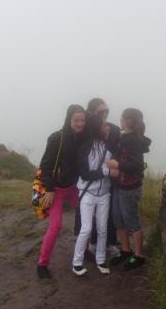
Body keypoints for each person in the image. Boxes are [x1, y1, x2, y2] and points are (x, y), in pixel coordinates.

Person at [36, 104, 86, 280]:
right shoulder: (57, 137)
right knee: (55, 226)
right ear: (68, 119)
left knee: (86, 217)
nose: (80, 124)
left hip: (73, 187)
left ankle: (84, 250)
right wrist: (49, 190)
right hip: (55, 189)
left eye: (82, 120)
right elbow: (45, 165)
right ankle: (42, 265)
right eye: (76, 120)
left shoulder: (82, 137)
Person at [74, 98, 120, 256]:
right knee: (87, 218)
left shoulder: (114, 129)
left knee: (107, 215)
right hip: (88, 181)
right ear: (92, 112)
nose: (105, 114)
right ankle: (89, 246)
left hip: (108, 181)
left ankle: (108, 243)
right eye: (101, 111)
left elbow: (120, 149)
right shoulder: (84, 130)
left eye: (107, 110)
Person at [107, 108, 151, 270]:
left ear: (128, 121)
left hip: (130, 188)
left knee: (131, 220)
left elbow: (138, 166)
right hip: (119, 185)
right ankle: (126, 250)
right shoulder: (124, 137)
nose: (119, 121)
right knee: (118, 218)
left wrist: (118, 165)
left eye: (121, 118)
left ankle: (139, 255)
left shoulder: (133, 140)